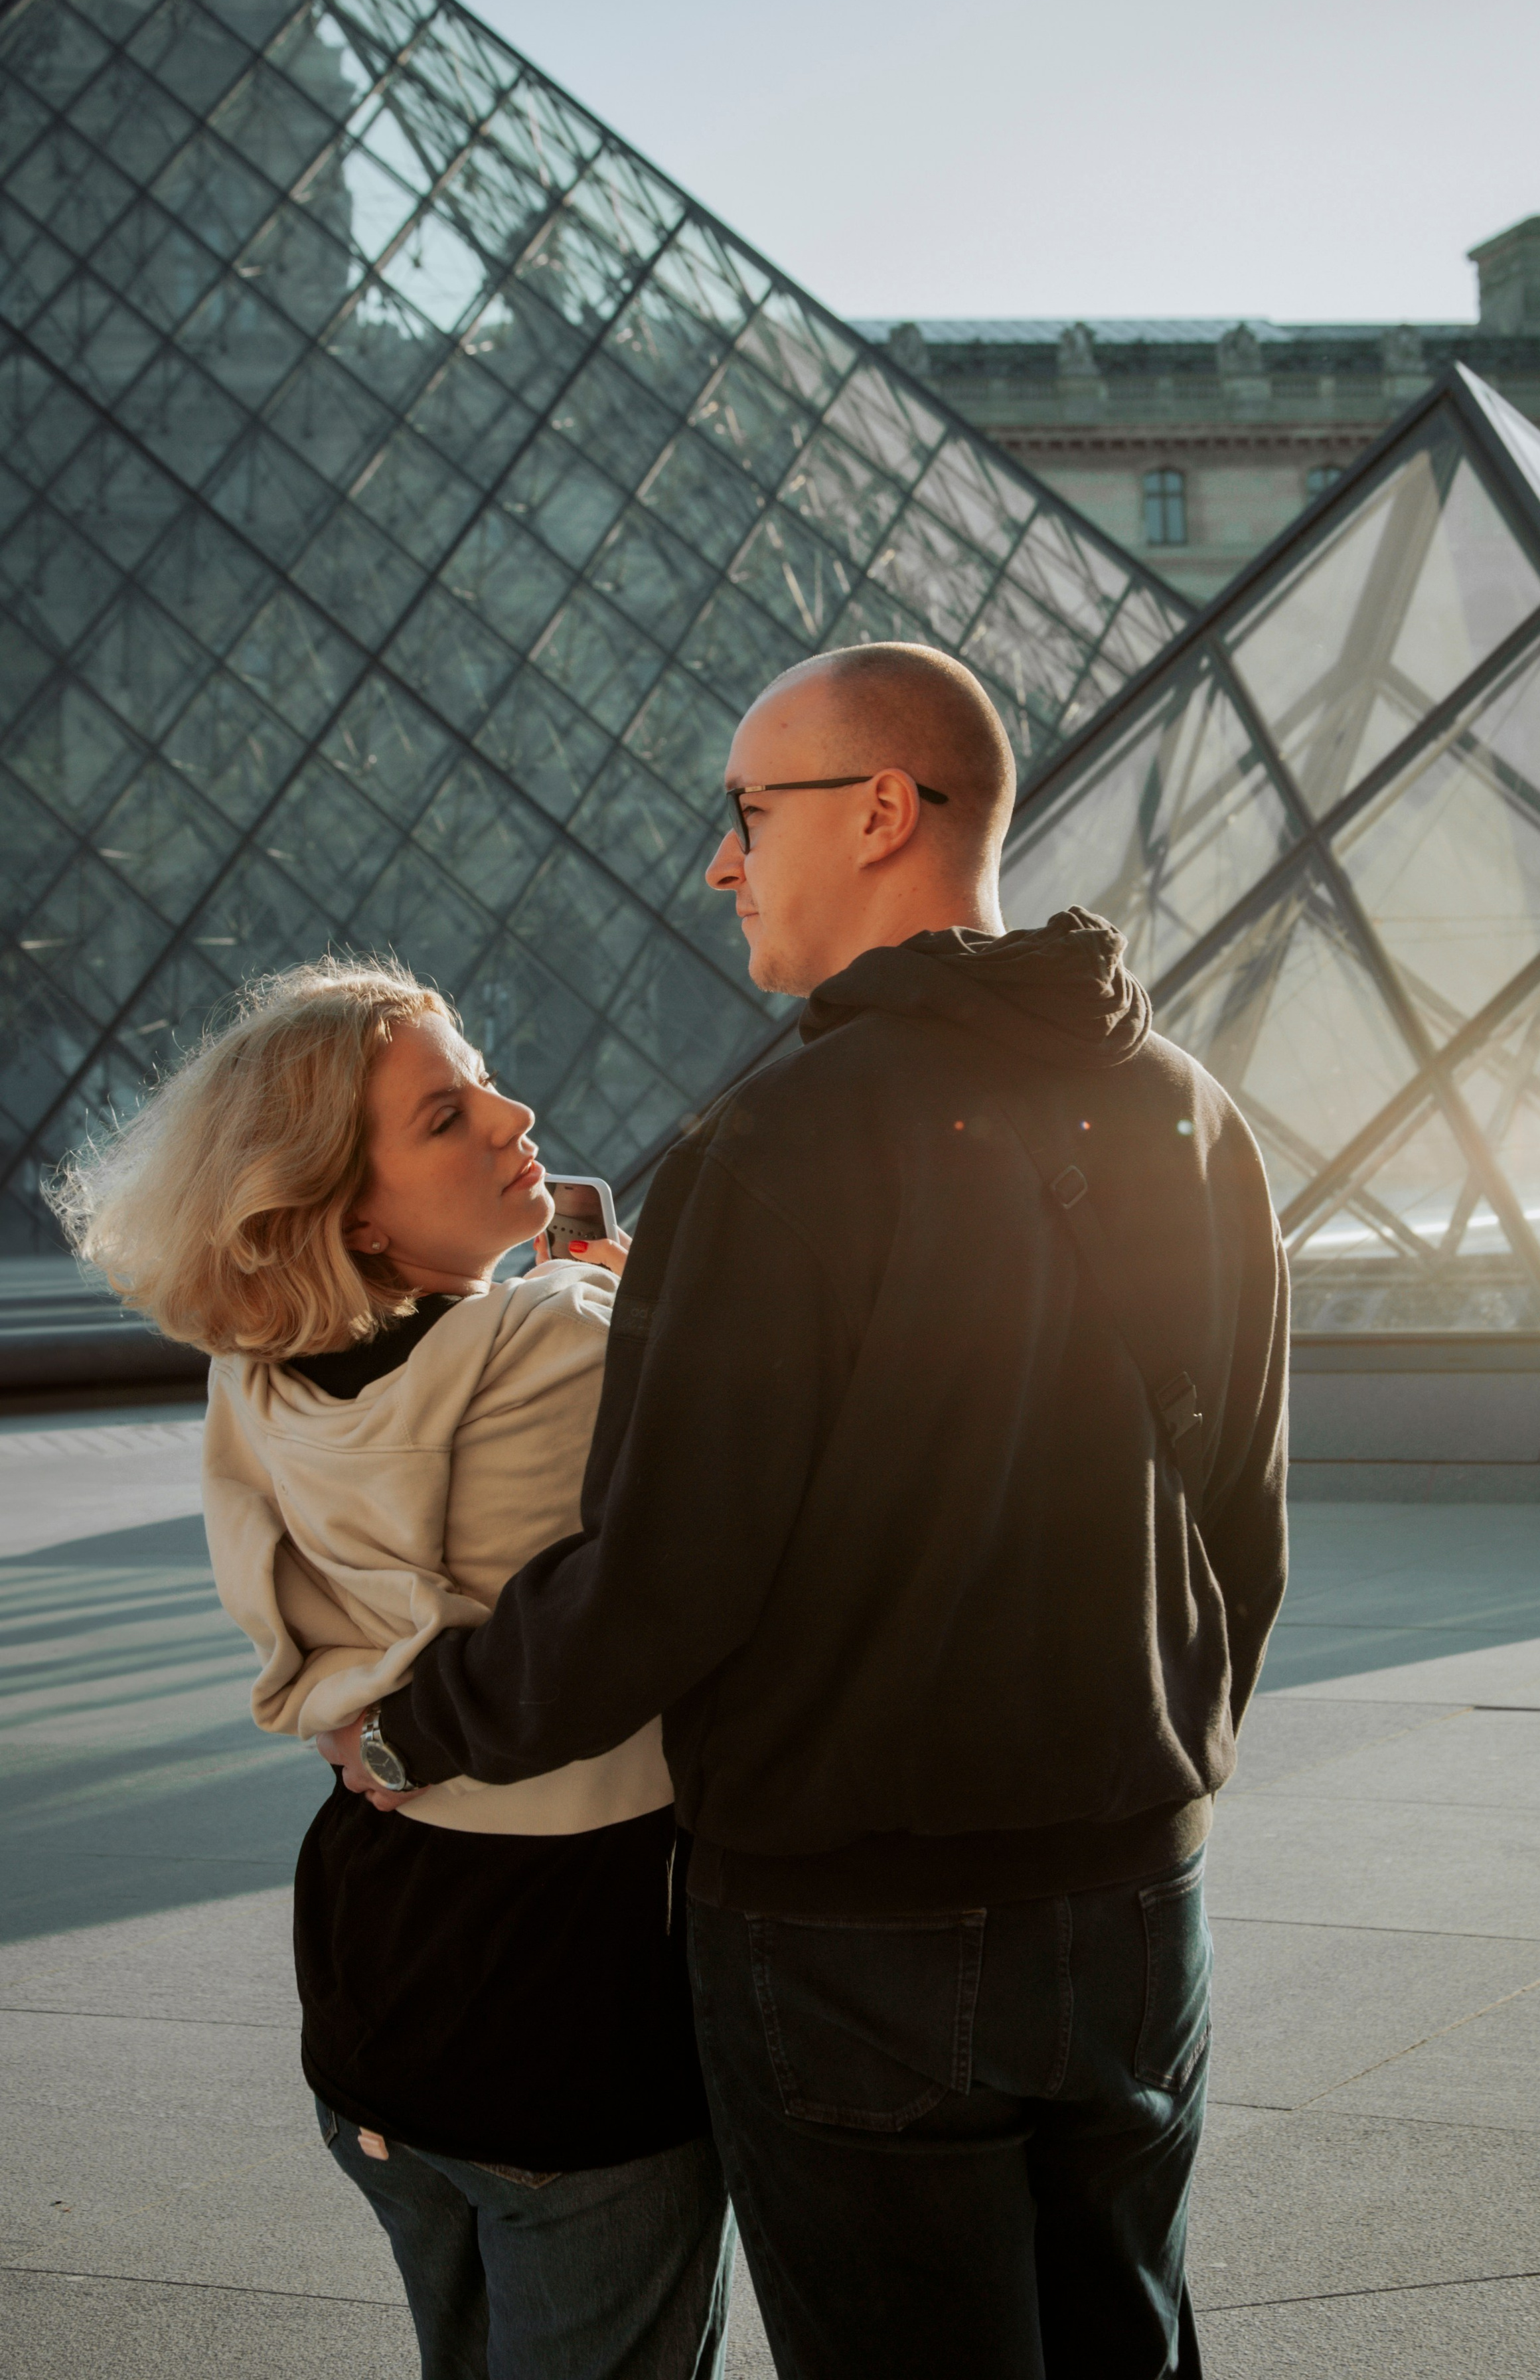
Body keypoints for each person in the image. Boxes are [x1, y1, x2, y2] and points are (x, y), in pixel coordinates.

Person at [327, 643, 1290, 2379]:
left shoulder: (773, 1149)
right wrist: (1163, 1771)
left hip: (853, 1932)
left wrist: (415, 1725)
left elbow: (669, 1571)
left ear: (879, 811)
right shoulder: (1194, 1118)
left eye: (747, 813)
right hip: (1139, 1903)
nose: (720, 861)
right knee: (1124, 2345)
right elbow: (1243, 1524)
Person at [54, 959, 732, 2380]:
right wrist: (625, 1306)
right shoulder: (567, 1338)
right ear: (349, 1207)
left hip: (376, 1967)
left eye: (479, 1073)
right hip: (568, 1989)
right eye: (443, 1115)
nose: (510, 1111)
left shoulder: (256, 1370)